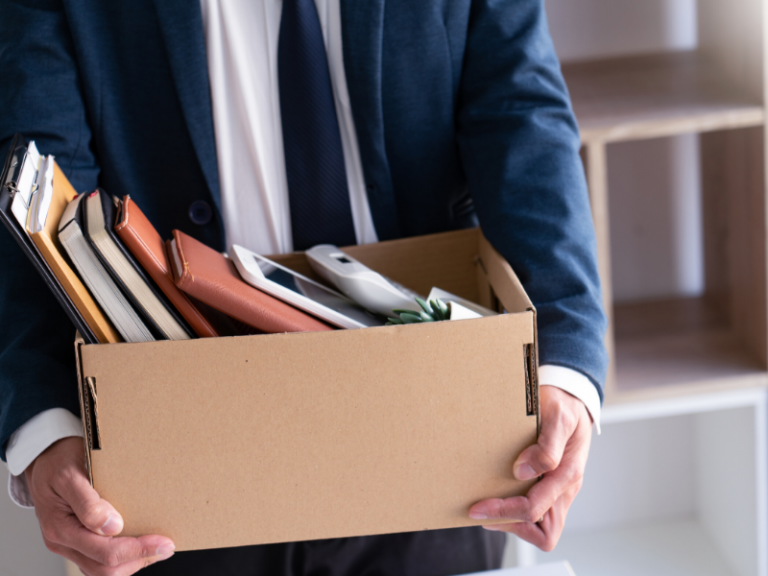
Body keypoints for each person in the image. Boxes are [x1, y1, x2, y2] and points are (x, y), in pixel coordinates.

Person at [0, 0, 607, 574]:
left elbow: (521, 117)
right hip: (180, 447)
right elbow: (32, 174)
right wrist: (45, 426)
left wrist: (565, 366)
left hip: (429, 418)